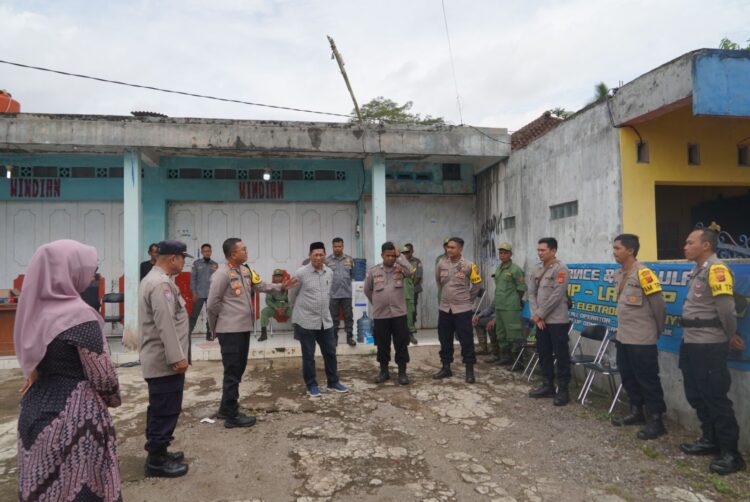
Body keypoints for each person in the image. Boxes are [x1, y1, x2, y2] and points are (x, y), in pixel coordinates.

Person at [15, 240, 122, 501]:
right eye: (89, 269)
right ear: (70, 271)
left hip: (34, 410)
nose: (92, 275)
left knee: (44, 487)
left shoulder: (32, 309)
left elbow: (33, 361)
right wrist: (112, 399)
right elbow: (102, 376)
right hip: (75, 417)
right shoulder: (80, 316)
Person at [207, 238, 296, 428]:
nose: (246, 251)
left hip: (243, 329)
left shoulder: (245, 270)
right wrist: (216, 328)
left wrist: (281, 287)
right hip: (230, 331)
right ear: (233, 254)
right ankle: (232, 416)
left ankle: (225, 409)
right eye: (243, 249)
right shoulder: (221, 274)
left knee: (237, 370)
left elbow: (261, 286)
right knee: (232, 372)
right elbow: (212, 304)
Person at [679, 227, 745, 475]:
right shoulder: (698, 270)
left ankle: (731, 453)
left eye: (689, 242)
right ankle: (710, 439)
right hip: (691, 341)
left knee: (715, 397)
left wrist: (730, 335)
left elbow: (727, 309)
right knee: (696, 394)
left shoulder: (717, 269)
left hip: (709, 343)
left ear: (705, 245)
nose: (685, 246)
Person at [139, 239, 192, 477]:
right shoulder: (161, 284)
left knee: (160, 407)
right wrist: (177, 358)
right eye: (182, 258)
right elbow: (166, 325)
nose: (183, 262)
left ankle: (159, 451)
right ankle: (156, 462)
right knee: (165, 409)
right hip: (164, 361)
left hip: (161, 360)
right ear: (173, 259)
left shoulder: (157, 280)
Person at [610, 234, 668, 440]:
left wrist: (656, 330)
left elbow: (659, 305)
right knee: (628, 375)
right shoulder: (620, 274)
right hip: (624, 336)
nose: (614, 251)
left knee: (648, 379)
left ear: (630, 251)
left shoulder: (644, 273)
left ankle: (656, 420)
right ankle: (637, 412)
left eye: (617, 248)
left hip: (642, 338)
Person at [289, 242, 349, 397]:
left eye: (321, 255)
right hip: (306, 321)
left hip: (325, 320)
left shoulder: (329, 272)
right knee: (308, 355)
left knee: (330, 352)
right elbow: (292, 294)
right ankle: (311, 385)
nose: (318, 257)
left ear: (324, 255)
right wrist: (295, 312)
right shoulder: (301, 273)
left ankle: (333, 382)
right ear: (310, 255)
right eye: (315, 254)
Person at [527, 237, 571, 406]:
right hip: (540, 320)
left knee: (561, 355)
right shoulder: (536, 268)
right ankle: (548, 385)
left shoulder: (561, 269)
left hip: (557, 320)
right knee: (544, 353)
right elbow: (531, 293)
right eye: (538, 250)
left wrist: (540, 314)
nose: (540, 253)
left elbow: (557, 295)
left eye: (543, 250)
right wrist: (536, 315)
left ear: (553, 251)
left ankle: (563, 390)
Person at [433, 237, 483, 383]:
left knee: (466, 340)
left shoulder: (469, 265)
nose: (449, 250)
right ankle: (446, 368)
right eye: (448, 247)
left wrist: (468, 300)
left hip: (462, 310)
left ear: (460, 249)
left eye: (452, 247)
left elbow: (477, 285)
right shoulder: (441, 264)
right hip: (445, 309)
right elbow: (438, 282)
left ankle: (469, 370)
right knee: (444, 339)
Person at [364, 242, 414, 385]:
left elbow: (411, 272)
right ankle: (384, 371)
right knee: (382, 344)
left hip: (399, 315)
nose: (391, 258)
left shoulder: (400, 268)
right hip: (381, 316)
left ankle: (402, 373)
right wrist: (378, 303)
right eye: (388, 255)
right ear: (382, 255)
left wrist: (400, 257)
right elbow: (368, 290)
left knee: (401, 344)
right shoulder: (373, 271)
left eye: (393, 255)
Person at [490, 243, 527, 365]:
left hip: (510, 307)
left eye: (505, 252)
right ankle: (505, 357)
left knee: (514, 333)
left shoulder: (516, 269)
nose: (502, 255)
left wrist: (514, 301)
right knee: (501, 333)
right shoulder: (499, 268)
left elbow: (521, 288)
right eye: (501, 252)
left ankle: (518, 361)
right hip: (500, 306)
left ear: (510, 254)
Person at [327, 237, 356, 346]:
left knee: (348, 316)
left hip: (346, 293)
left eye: (339, 246)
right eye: (335, 246)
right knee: (333, 318)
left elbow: (352, 274)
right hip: (333, 294)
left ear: (343, 247)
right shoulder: (328, 260)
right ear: (332, 247)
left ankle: (349, 337)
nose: (337, 249)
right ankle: (334, 339)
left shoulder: (349, 259)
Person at [189, 243, 218, 340]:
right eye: (205, 251)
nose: (207, 253)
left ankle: (209, 334)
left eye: (208, 251)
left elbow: (217, 280)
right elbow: (193, 279)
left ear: (211, 252)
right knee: (194, 314)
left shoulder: (214, 264)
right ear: (202, 252)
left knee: (211, 314)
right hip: (199, 294)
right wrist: (194, 292)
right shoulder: (196, 264)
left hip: (211, 294)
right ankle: (187, 334)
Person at [259, 268, 293, 341]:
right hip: (274, 308)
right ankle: (263, 334)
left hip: (285, 308)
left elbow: (291, 298)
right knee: (264, 312)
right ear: (274, 277)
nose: (278, 278)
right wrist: (275, 308)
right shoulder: (271, 287)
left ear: (282, 277)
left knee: (296, 313)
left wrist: (285, 307)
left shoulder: (287, 286)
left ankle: (298, 333)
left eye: (280, 276)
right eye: (276, 276)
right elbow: (268, 300)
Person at [401, 245, 419, 345]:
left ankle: (410, 333)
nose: (405, 255)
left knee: (410, 314)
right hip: (397, 294)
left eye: (407, 252)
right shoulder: (396, 264)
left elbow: (415, 278)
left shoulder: (413, 264)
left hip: (408, 292)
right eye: (403, 253)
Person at [405, 243, 423, 335]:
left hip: (413, 289)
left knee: (412, 309)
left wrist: (410, 286)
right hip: (402, 291)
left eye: (409, 251)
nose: (407, 253)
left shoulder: (417, 261)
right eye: (405, 251)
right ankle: (405, 328)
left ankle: (412, 326)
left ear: (412, 251)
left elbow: (419, 276)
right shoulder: (400, 261)